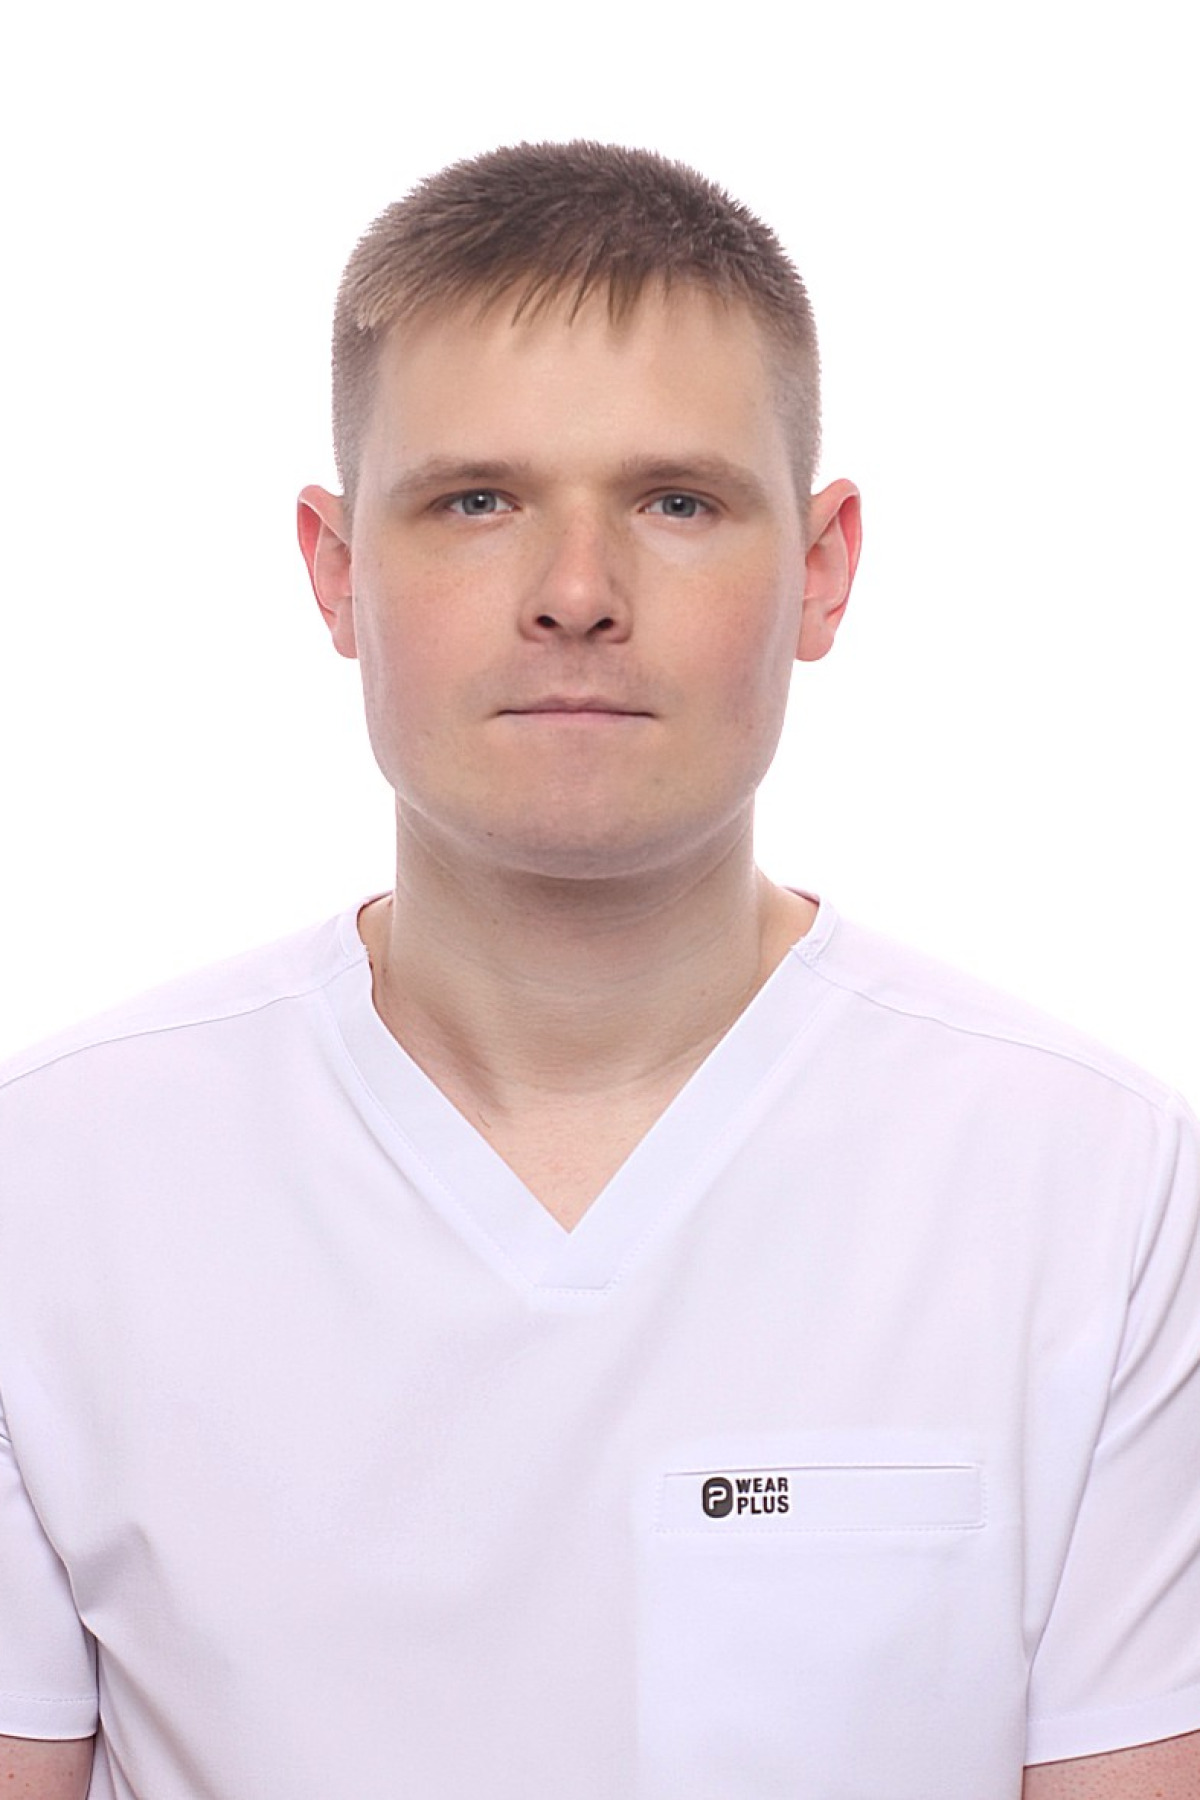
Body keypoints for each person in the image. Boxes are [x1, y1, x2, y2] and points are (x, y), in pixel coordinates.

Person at [1, 140, 1197, 1800]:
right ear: (337, 572)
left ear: (823, 569)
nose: (576, 595)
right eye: (477, 502)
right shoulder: (53, 1184)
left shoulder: (1095, 1186)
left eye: (676, 502)